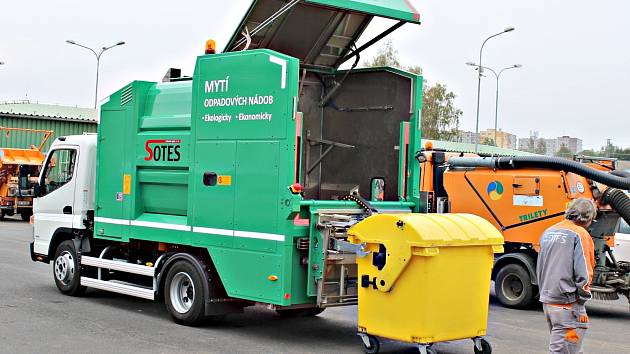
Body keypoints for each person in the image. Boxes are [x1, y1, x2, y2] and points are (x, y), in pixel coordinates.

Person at [537, 198, 597, 354]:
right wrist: (581, 298)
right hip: (568, 304)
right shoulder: (580, 234)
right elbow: (584, 271)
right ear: (588, 218)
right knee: (565, 349)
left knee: (572, 348)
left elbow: (541, 266)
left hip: (549, 302)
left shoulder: (548, 232)